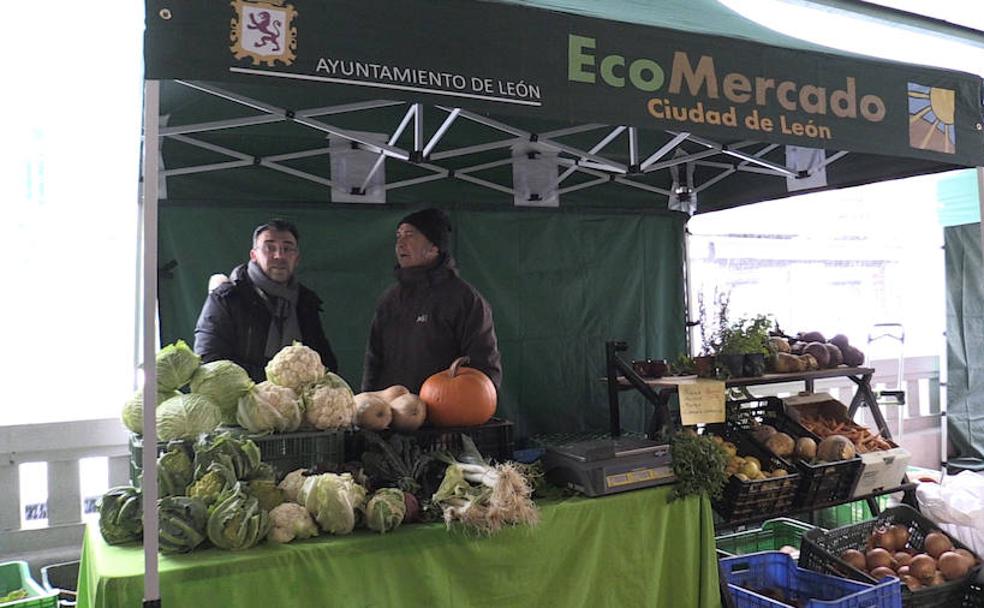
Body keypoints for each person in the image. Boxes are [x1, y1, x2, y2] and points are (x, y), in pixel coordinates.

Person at [362, 208, 502, 394]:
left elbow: (484, 368)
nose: (400, 243)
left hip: (448, 417)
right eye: (398, 236)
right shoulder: (390, 300)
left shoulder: (464, 299)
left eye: (409, 235)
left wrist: (467, 411)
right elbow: (374, 360)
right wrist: (368, 399)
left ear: (434, 247)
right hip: (393, 415)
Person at [194, 219, 338, 381]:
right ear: (254, 255)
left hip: (295, 402)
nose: (279, 256)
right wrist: (274, 383)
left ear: (296, 258)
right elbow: (208, 360)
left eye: (287, 249)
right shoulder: (227, 298)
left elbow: (326, 363)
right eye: (270, 247)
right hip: (239, 400)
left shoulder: (305, 303)